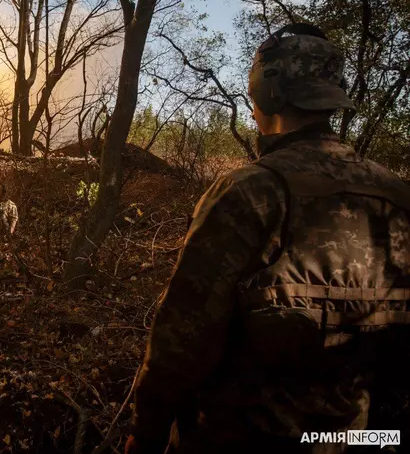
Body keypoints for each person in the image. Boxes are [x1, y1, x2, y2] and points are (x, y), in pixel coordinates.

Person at [125, 23, 410, 453]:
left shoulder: (252, 191)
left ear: (268, 91)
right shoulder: (398, 196)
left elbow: (183, 339)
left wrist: (146, 432)